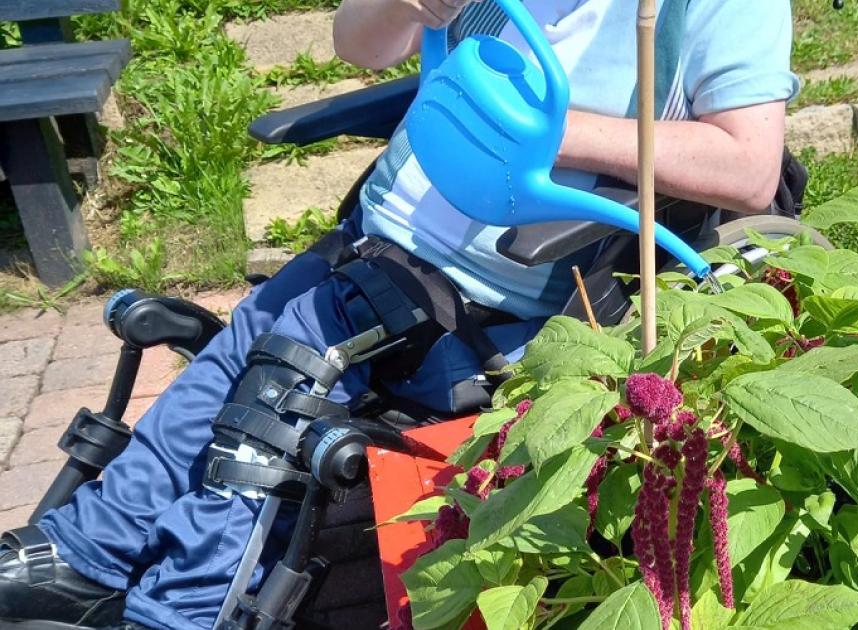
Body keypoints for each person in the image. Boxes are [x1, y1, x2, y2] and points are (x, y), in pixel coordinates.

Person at [0, 0, 798, 628]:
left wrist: (550, 132)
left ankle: (171, 606)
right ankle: (88, 554)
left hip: (503, 290)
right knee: (244, 346)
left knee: (281, 393)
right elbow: (358, 43)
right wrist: (409, 7)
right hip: (377, 238)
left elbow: (749, 166)